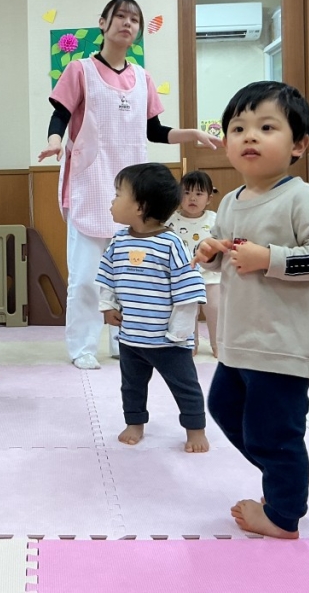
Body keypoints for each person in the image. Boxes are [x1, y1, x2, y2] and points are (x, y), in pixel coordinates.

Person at [193, 81, 309, 539]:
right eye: (237, 128)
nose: (249, 136)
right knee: (223, 406)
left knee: (272, 431)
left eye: (266, 127)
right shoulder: (230, 201)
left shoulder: (301, 197)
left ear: (298, 145)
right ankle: (288, 474)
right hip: (243, 339)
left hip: (284, 341)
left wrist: (270, 258)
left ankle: (283, 516)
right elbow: (226, 249)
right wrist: (211, 248)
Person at [37, 0, 222, 370]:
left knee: (130, 271)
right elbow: (60, 114)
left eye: (134, 19)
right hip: (90, 187)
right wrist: (56, 141)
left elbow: (154, 130)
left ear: (138, 30)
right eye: (120, 16)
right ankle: (83, 346)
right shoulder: (80, 70)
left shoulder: (142, 78)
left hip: (132, 192)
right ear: (103, 23)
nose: (127, 23)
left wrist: (188, 133)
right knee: (88, 275)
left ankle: (124, 338)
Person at [97, 163, 209, 453]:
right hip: (132, 337)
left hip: (168, 340)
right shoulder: (118, 241)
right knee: (131, 386)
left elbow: (188, 292)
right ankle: (135, 423)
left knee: (185, 386)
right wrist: (107, 305)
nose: (112, 201)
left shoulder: (171, 244)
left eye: (118, 194)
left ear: (140, 207)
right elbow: (108, 277)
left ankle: (195, 428)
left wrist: (179, 333)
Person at [168, 170, 220, 357]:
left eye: (198, 194)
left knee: (216, 309)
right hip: (184, 277)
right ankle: (191, 344)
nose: (192, 198)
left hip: (212, 277)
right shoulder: (171, 220)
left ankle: (217, 345)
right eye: (187, 193)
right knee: (188, 312)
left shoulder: (215, 219)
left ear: (209, 198)